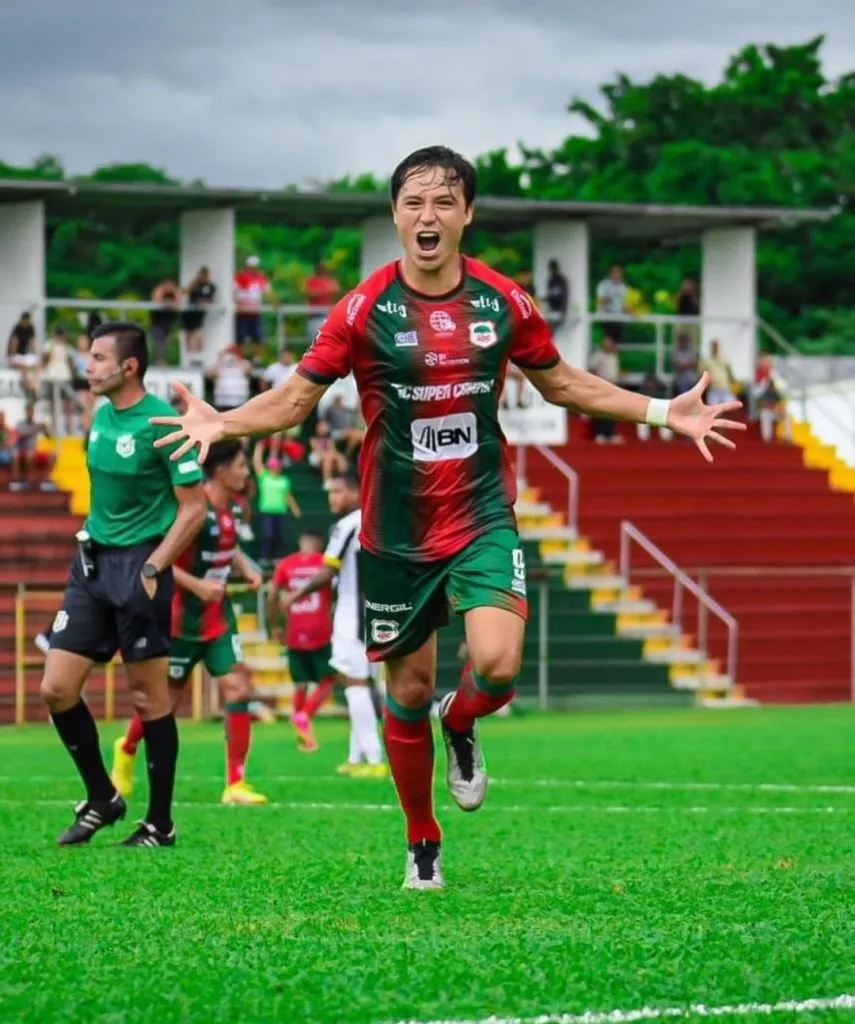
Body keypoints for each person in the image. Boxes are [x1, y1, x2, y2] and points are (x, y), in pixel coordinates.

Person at [150, 146, 744, 889]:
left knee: (496, 665)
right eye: (414, 202)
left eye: (443, 202)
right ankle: (421, 840)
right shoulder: (363, 308)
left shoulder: (502, 301)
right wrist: (224, 422)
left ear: (466, 214)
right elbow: (297, 399)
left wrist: (661, 411)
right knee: (405, 691)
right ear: (396, 215)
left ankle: (459, 720)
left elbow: (561, 383)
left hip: (480, 512)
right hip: (395, 529)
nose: (427, 215)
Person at [40, 320, 207, 847]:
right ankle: (103, 797)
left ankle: (160, 823)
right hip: (91, 563)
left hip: (140, 565)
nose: (87, 366)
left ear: (129, 366)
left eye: (97, 358)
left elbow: (195, 509)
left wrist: (154, 567)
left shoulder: (163, 424)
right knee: (56, 689)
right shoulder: (100, 415)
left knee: (149, 700)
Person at [111, 439, 267, 805]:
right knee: (164, 702)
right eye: (241, 466)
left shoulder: (233, 509)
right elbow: (156, 560)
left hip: (218, 618)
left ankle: (235, 784)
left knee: (237, 689)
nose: (246, 472)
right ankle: (127, 748)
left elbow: (229, 543)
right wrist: (198, 585)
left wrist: (245, 567)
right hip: (180, 619)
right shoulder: (190, 510)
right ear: (221, 471)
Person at [277, 473, 387, 778]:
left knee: (355, 683)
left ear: (354, 492)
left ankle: (374, 759)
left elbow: (327, 572)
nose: (331, 498)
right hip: (374, 612)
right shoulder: (375, 519)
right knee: (359, 682)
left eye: (337, 491)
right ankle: (356, 756)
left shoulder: (347, 524)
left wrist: (293, 596)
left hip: (354, 615)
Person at [268, 531, 336, 752]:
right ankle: (305, 715)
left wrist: (274, 626)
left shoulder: (286, 564)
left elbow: (272, 594)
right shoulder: (325, 563)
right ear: (319, 544)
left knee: (300, 683)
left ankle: (302, 732)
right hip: (320, 629)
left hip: (294, 631)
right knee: (328, 679)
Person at [251, 443, 301, 565]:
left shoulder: (284, 480)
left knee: (279, 536)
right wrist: (259, 447)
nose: (274, 469)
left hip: (280, 511)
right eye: (272, 467)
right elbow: (256, 462)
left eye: (276, 467)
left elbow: (288, 496)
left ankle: (276, 558)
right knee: (267, 535)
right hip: (266, 511)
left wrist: (295, 509)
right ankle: (264, 557)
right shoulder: (264, 477)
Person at [181, 267, 217, 364]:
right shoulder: (195, 284)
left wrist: (202, 301)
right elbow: (185, 292)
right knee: (189, 336)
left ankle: (199, 358)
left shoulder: (210, 286)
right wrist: (194, 282)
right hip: (189, 313)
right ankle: (190, 358)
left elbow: (210, 299)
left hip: (199, 313)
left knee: (197, 334)